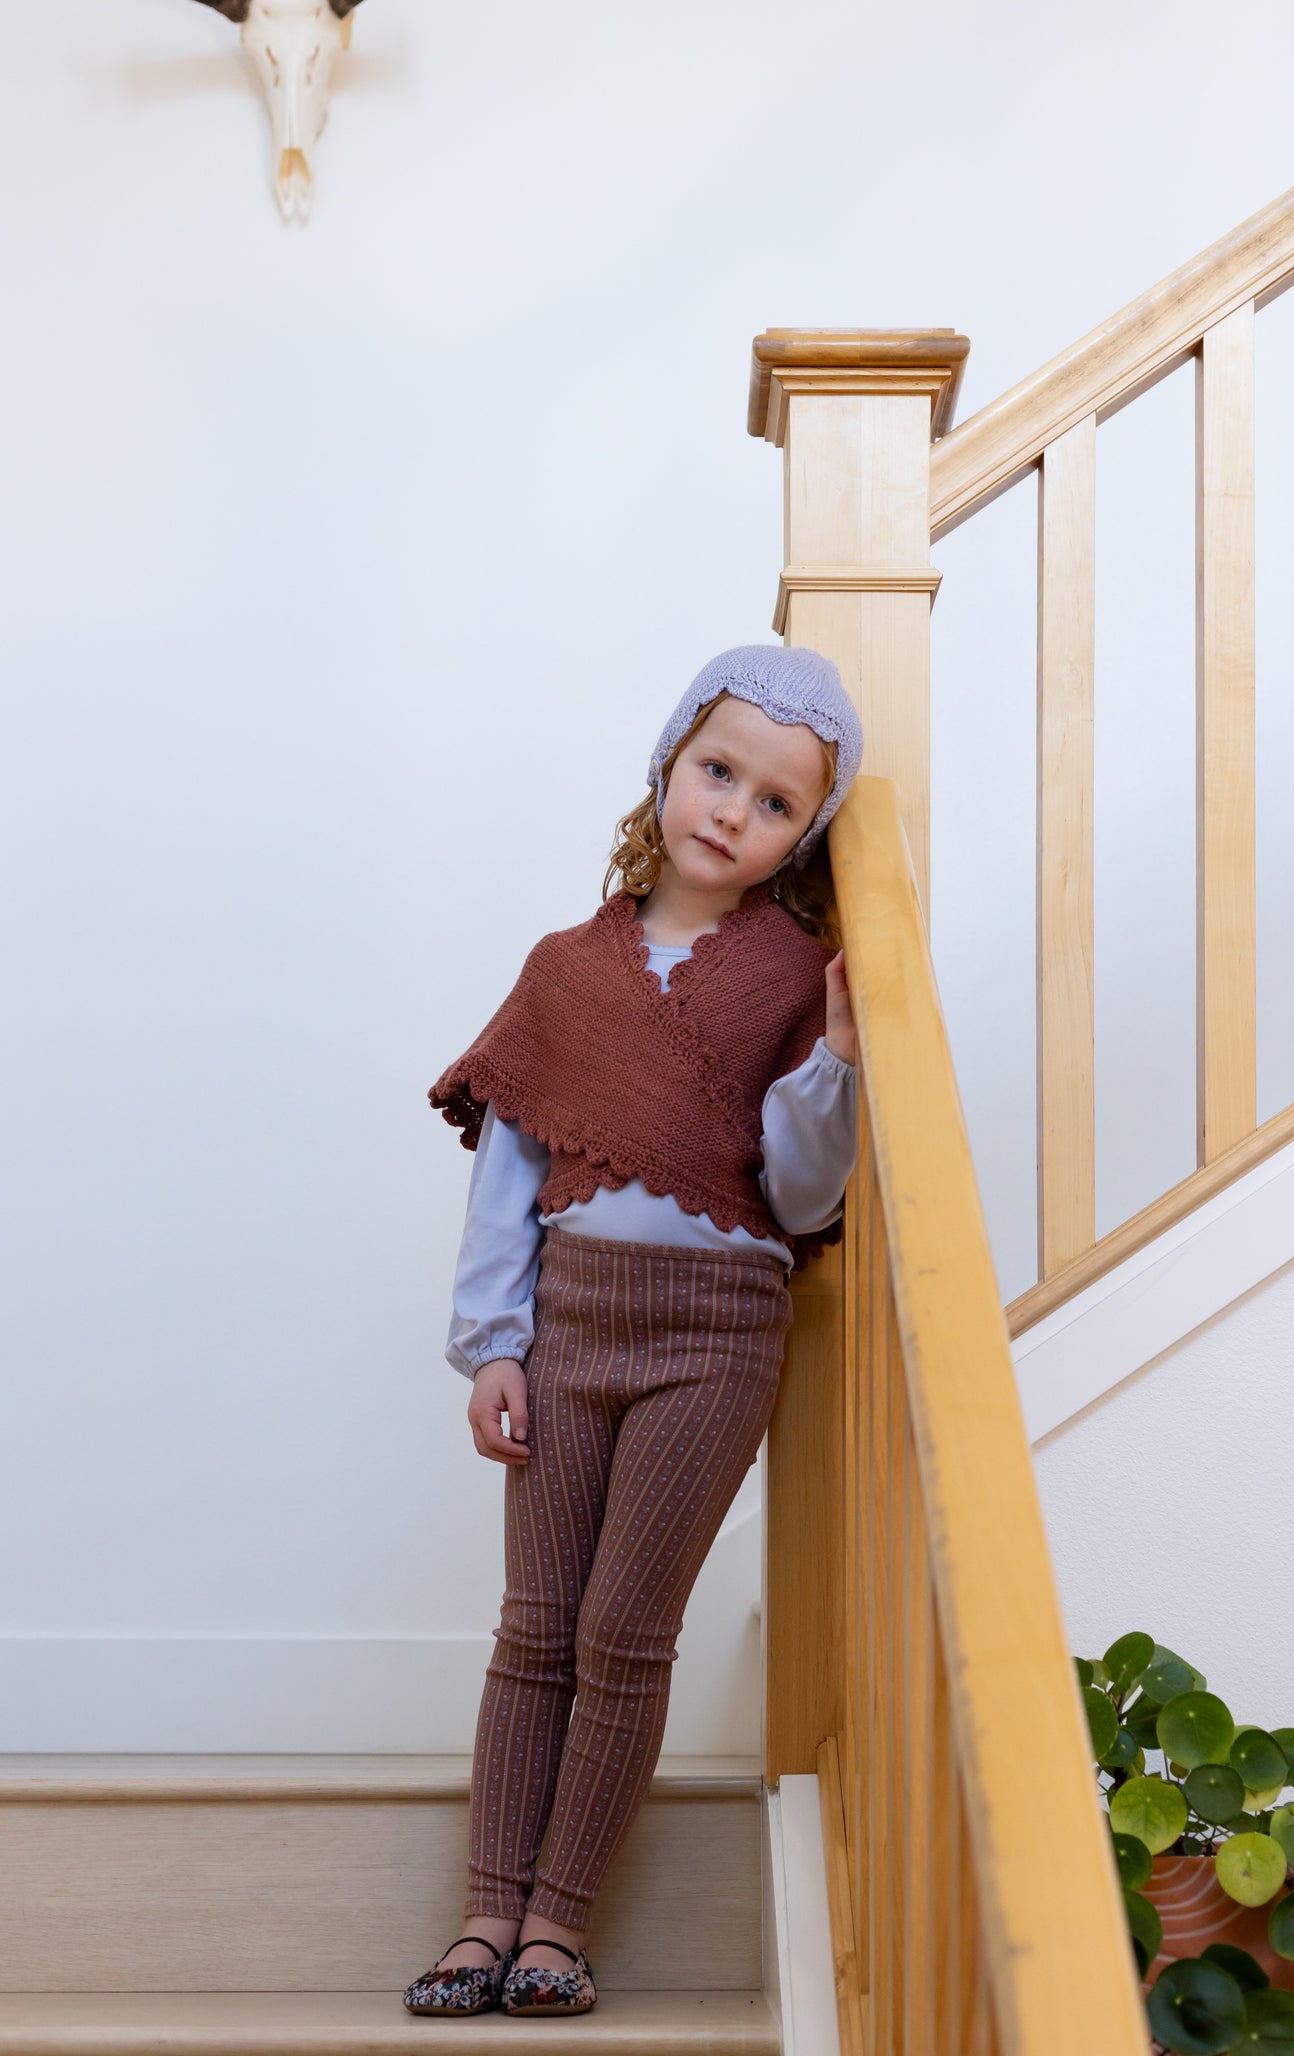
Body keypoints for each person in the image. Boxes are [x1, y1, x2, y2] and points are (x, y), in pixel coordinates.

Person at [403, 643, 863, 2018]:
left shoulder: (790, 974)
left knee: (624, 1631)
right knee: (533, 1626)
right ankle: (483, 1914)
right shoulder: (564, 968)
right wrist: (493, 1341)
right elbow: (507, 1174)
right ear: (669, 765)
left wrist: (832, 1060)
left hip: (714, 1340)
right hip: (567, 1328)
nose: (731, 810)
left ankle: (557, 1925)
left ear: (803, 834)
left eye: (774, 802)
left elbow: (797, 1193)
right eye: (716, 771)